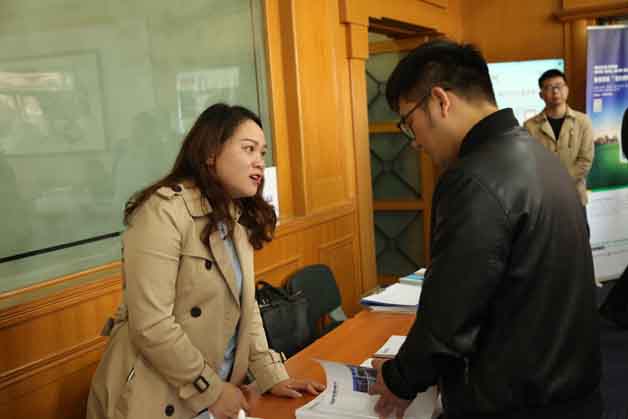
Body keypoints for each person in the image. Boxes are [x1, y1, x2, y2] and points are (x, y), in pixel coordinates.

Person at [369, 40, 601, 419]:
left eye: (410, 124)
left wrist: (399, 379)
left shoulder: (474, 177)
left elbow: (449, 317)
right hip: (566, 385)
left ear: (440, 101)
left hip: (515, 400)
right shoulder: (537, 155)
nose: (415, 144)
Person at [87, 103, 324, 419]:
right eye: (249, 149)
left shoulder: (234, 215)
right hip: (154, 397)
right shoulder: (163, 211)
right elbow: (152, 325)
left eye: (262, 152)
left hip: (210, 395)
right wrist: (212, 390)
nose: (259, 161)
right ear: (211, 153)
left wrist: (272, 376)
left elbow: (245, 308)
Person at [524, 69, 594, 228]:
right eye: (549, 87)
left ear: (567, 89)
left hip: (575, 197)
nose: (555, 91)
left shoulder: (583, 122)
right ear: (541, 94)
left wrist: (561, 183)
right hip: (545, 199)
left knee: (579, 240)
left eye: (559, 86)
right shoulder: (530, 126)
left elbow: (585, 160)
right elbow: (530, 163)